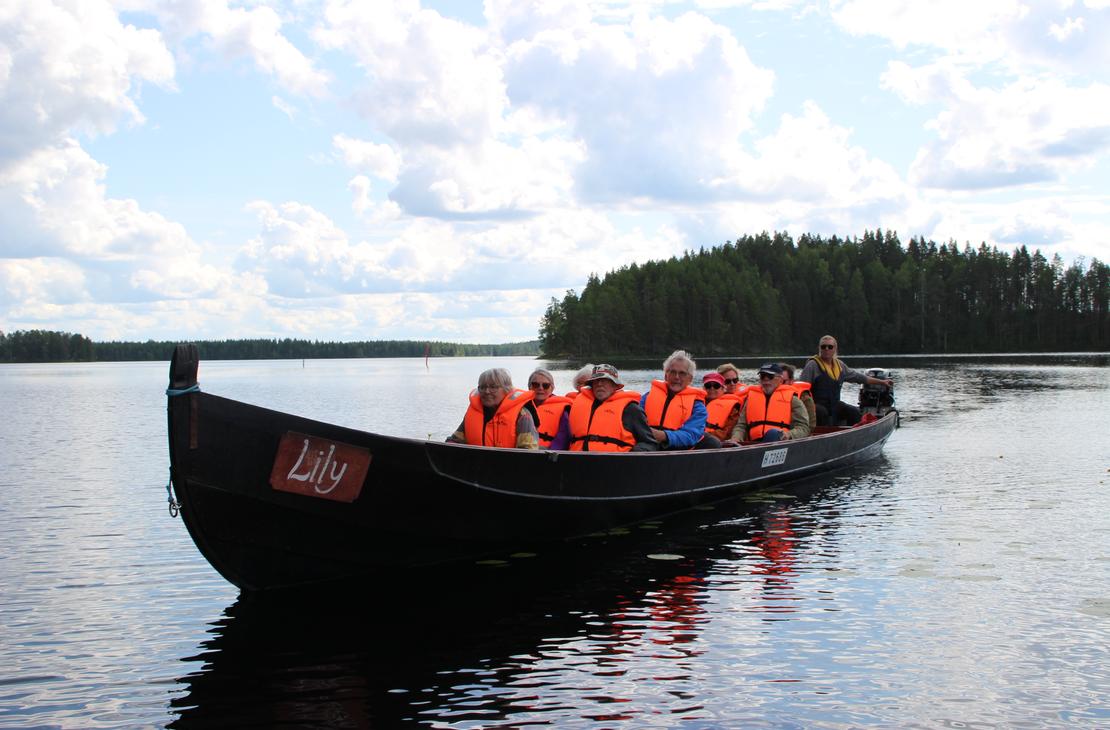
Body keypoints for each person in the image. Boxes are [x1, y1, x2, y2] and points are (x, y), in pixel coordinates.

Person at [798, 335, 894, 426]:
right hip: (817, 405)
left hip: (834, 404)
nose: (826, 349)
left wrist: (882, 382)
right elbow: (800, 389)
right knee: (822, 412)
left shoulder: (840, 366)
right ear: (819, 348)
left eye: (830, 347)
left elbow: (859, 377)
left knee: (854, 412)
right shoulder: (812, 365)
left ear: (835, 349)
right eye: (823, 347)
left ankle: (856, 435)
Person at [641, 349, 720, 449]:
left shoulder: (698, 406)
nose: (677, 377)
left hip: (679, 447)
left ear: (690, 379)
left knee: (712, 443)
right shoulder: (647, 398)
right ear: (666, 376)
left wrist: (663, 435)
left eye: (682, 373)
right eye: (673, 372)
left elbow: (691, 435)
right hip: (649, 443)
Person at [568, 364, 657, 452]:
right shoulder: (577, 405)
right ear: (591, 385)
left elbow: (649, 444)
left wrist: (630, 456)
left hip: (615, 463)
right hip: (578, 461)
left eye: (605, 380)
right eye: (596, 380)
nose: (599, 384)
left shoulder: (631, 409)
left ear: (615, 385)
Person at [447, 368, 539, 449]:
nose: (486, 391)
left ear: (506, 389)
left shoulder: (523, 415)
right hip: (475, 465)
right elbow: (455, 441)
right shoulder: (473, 412)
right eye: (482, 387)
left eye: (493, 387)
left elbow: (528, 452)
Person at [730, 363, 811, 442]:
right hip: (754, 444)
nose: (766, 380)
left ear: (780, 379)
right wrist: (736, 438)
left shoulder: (793, 400)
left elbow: (803, 428)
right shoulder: (750, 399)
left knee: (773, 434)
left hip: (780, 443)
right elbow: (741, 426)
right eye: (762, 376)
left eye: (770, 376)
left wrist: (788, 435)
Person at [528, 367, 572, 449]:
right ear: (529, 387)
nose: (540, 388)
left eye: (545, 385)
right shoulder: (521, 407)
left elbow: (563, 437)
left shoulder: (562, 410)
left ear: (552, 388)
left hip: (548, 455)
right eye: (535, 385)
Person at [702, 372, 744, 442]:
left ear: (723, 388)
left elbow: (728, 432)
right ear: (704, 388)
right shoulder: (697, 404)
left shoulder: (733, 407)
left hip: (715, 442)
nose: (712, 388)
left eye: (716, 385)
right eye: (708, 385)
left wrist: (704, 436)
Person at [780, 362, 817, 429]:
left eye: (783, 381)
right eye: (776, 380)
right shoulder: (767, 396)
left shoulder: (805, 398)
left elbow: (810, 426)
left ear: (791, 381)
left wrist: (790, 435)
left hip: (793, 436)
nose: (779, 384)